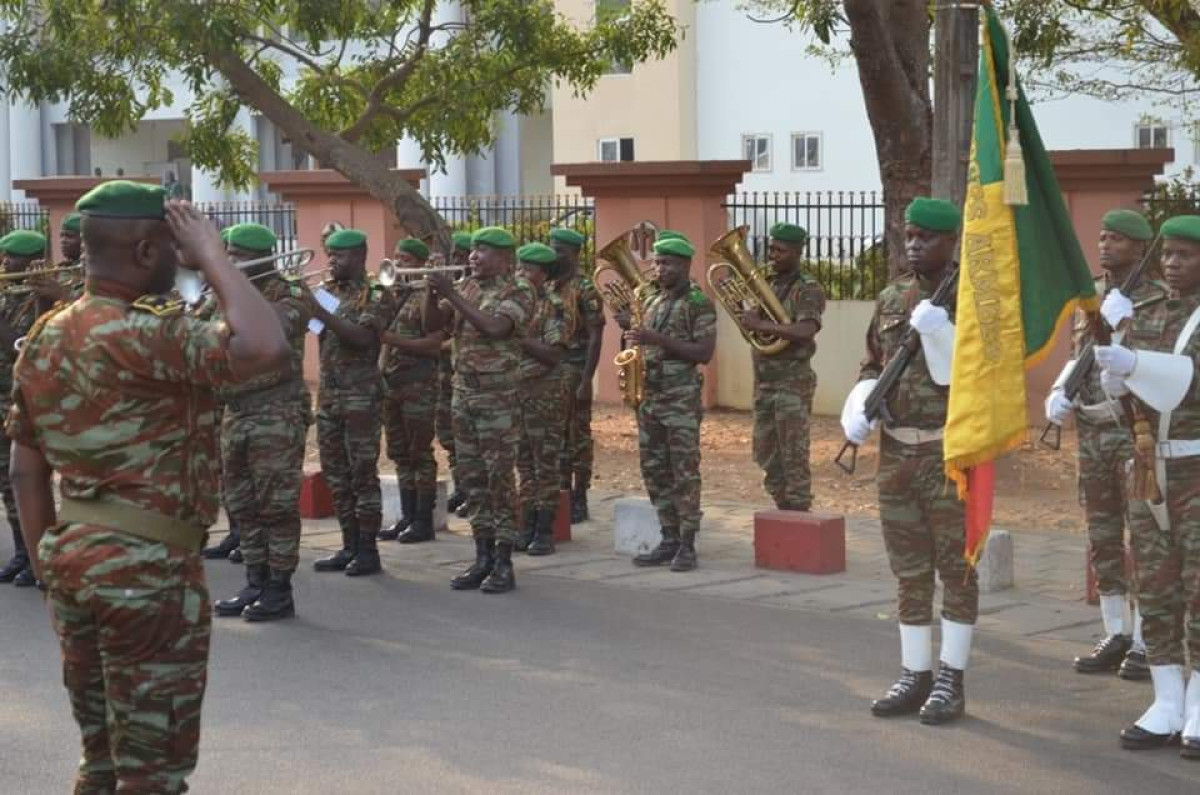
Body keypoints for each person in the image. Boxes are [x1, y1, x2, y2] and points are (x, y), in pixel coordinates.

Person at [6, 182, 287, 792]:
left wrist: (49, 570)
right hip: (148, 572)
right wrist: (213, 257)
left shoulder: (45, 337)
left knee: (101, 761)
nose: (177, 255)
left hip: (73, 560)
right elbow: (265, 347)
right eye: (170, 245)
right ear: (143, 252)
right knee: (151, 775)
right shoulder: (151, 334)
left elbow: (26, 470)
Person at [842, 197, 976, 725]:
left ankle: (952, 678)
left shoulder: (973, 297)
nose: (915, 244)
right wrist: (860, 400)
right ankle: (914, 672)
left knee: (957, 571)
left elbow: (975, 377)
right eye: (909, 235)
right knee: (909, 570)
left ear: (951, 242)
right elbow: (873, 360)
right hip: (896, 451)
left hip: (950, 452)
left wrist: (943, 330)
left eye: (926, 237)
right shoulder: (892, 295)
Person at [1095, 214, 1200, 754]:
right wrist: (1116, 383)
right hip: (1149, 467)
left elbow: (1188, 382)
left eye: (1185, 254)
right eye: (1167, 255)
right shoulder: (1148, 314)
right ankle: (1167, 701)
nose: (1173, 263)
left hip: (1196, 468)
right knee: (1156, 586)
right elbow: (1130, 401)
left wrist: (1135, 362)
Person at [1045, 209, 1163, 680]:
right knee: (1102, 533)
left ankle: (1145, 638)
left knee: (1144, 533)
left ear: (1139, 247)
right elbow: (1080, 356)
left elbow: (1158, 361)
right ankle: (1115, 630)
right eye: (1103, 236)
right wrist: (1059, 389)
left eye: (1117, 239)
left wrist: (1125, 328)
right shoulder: (1090, 295)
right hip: (1093, 431)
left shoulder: (1158, 298)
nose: (1105, 244)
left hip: (1135, 431)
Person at [209, 223, 313, 621]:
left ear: (260, 259)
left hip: (276, 412)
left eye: (237, 255)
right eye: (228, 254)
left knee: (277, 506)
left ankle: (278, 590)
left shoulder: (291, 294)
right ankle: (255, 581)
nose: (230, 261)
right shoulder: (223, 293)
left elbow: (272, 333)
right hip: (235, 410)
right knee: (242, 503)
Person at [426, 226, 533, 594]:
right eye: (472, 250)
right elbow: (433, 325)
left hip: (498, 399)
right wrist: (431, 288)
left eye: (483, 251)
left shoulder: (517, 290)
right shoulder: (468, 287)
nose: (473, 257)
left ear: (505, 258)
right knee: (472, 480)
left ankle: (504, 561)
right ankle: (482, 555)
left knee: (499, 480)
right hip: (463, 395)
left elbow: (495, 327)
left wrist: (451, 293)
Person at [616, 234, 716, 572]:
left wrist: (655, 338)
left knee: (683, 471)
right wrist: (628, 330)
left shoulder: (698, 303)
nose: (660, 269)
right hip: (650, 396)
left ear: (685, 265)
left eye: (668, 263)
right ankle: (668, 536)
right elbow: (642, 345)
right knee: (655, 470)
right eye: (657, 262)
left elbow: (703, 352)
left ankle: (688, 543)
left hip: (680, 399)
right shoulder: (651, 300)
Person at [308, 229, 396, 576]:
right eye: (329, 255)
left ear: (359, 256)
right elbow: (316, 330)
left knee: (361, 475)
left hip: (361, 397)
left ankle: (368, 551)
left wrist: (320, 310)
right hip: (329, 397)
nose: (331, 261)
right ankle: (348, 545)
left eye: (339, 256)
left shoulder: (375, 293)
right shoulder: (327, 291)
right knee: (337, 475)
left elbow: (361, 338)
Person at [741, 222, 825, 511]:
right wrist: (750, 321)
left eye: (780, 250)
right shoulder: (768, 284)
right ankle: (783, 504)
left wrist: (760, 324)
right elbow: (755, 331)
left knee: (793, 452)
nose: (773, 255)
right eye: (771, 248)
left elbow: (805, 330)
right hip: (764, 382)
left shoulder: (808, 288)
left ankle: (799, 507)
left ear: (798, 251)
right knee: (764, 451)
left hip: (793, 383)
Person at [378, 237, 444, 544]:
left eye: (405, 258)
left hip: (419, 383)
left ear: (418, 264)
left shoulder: (427, 296)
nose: (399, 263)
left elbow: (434, 343)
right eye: (396, 257)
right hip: (392, 383)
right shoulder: (393, 294)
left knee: (420, 453)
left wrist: (392, 340)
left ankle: (423, 521)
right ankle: (406, 517)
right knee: (399, 452)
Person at [0, 229, 50, 587]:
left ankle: (37, 559)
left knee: (26, 481)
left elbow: (20, 348)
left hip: (23, 401)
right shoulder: (9, 295)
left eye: (11, 259)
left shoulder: (40, 299)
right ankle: (21, 553)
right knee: (7, 483)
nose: (5, 264)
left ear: (30, 261)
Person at [514, 242, 568, 555]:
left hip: (543, 393)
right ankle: (527, 526)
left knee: (545, 464)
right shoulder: (513, 301)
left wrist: (518, 337)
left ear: (543, 274)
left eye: (528, 270)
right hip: (516, 392)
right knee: (523, 463)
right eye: (519, 268)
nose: (521, 275)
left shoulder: (554, 306)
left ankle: (545, 530)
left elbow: (554, 354)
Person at [550, 227, 605, 523]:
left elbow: (596, 335)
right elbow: (547, 327)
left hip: (575, 366)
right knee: (556, 435)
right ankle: (560, 491)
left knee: (577, 436)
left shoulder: (585, 288)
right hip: (552, 368)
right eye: (552, 247)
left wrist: (586, 380)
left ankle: (579, 494)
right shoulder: (548, 286)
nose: (554, 254)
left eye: (560, 250)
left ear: (574, 254)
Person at [441, 231, 472, 516]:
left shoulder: (511, 291)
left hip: (478, 378)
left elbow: (491, 329)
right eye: (456, 257)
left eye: (461, 257)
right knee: (450, 435)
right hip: (450, 374)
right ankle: (461, 486)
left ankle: (472, 493)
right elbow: (434, 321)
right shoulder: (456, 288)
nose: (458, 262)